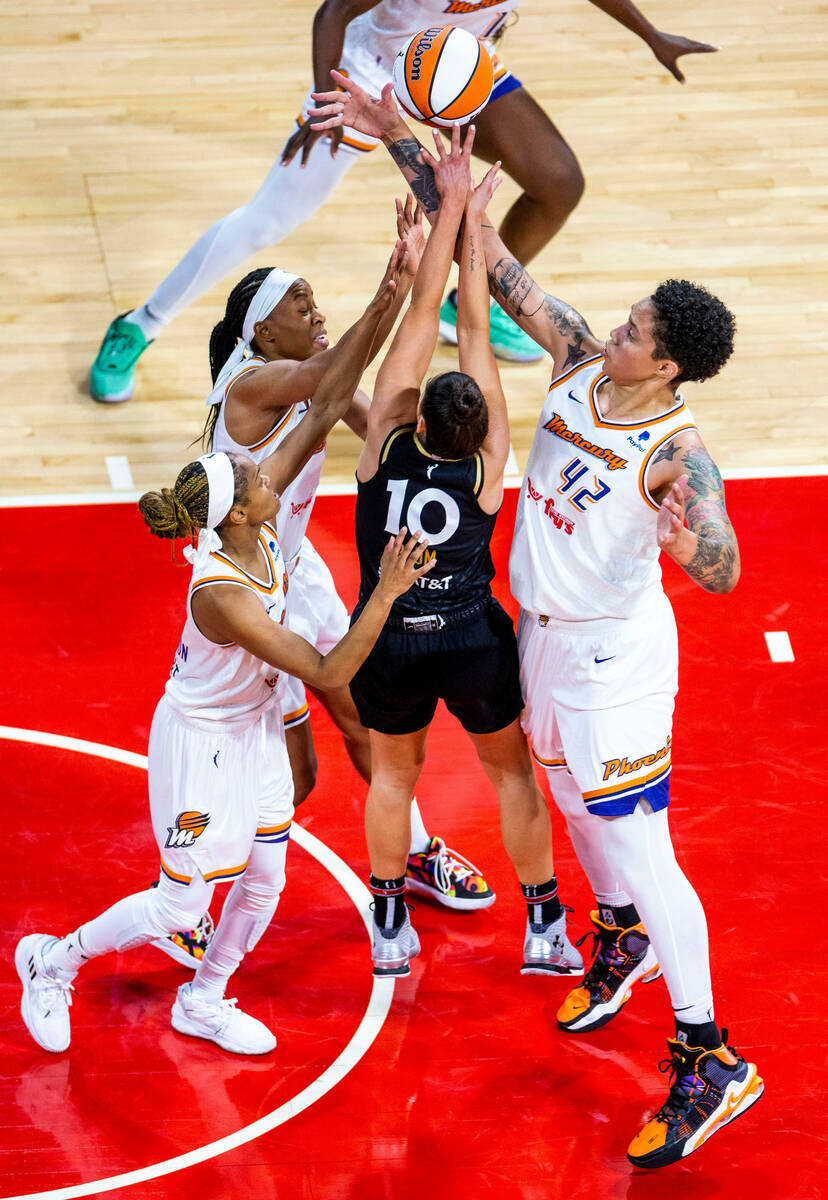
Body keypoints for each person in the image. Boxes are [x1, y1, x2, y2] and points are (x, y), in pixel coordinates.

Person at [311, 85, 764, 1167]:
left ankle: (712, 1054)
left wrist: (681, 526)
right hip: (539, 636)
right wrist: (403, 143)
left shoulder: (676, 455)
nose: (620, 325)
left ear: (670, 367)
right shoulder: (572, 359)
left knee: (639, 844)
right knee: (564, 801)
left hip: (614, 655)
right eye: (632, 314)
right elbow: (486, 254)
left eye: (641, 330)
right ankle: (614, 938)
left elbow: (726, 569)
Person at [15, 274, 437, 1056]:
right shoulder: (222, 593)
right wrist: (388, 592)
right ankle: (52, 961)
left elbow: (320, 408)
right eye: (249, 475)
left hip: (251, 723)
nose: (261, 468)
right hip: (202, 736)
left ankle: (203, 999)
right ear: (238, 513)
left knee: (267, 878)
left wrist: (397, 285)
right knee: (182, 906)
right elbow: (325, 664)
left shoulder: (258, 523)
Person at [88, 0, 719, 401]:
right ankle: (138, 325)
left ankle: (467, 312)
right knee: (269, 220)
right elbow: (332, 12)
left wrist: (650, 34)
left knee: (559, 181)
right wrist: (324, 104)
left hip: (456, 67)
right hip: (374, 72)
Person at [351, 125, 581, 981]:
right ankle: (545, 927)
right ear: (480, 428)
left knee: (392, 780)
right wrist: (473, 225)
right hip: (471, 636)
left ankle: (385, 928)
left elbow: (423, 320)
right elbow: (469, 328)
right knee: (511, 780)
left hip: (391, 635)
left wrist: (440, 224)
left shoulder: (382, 443)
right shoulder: (489, 470)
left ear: (413, 419)